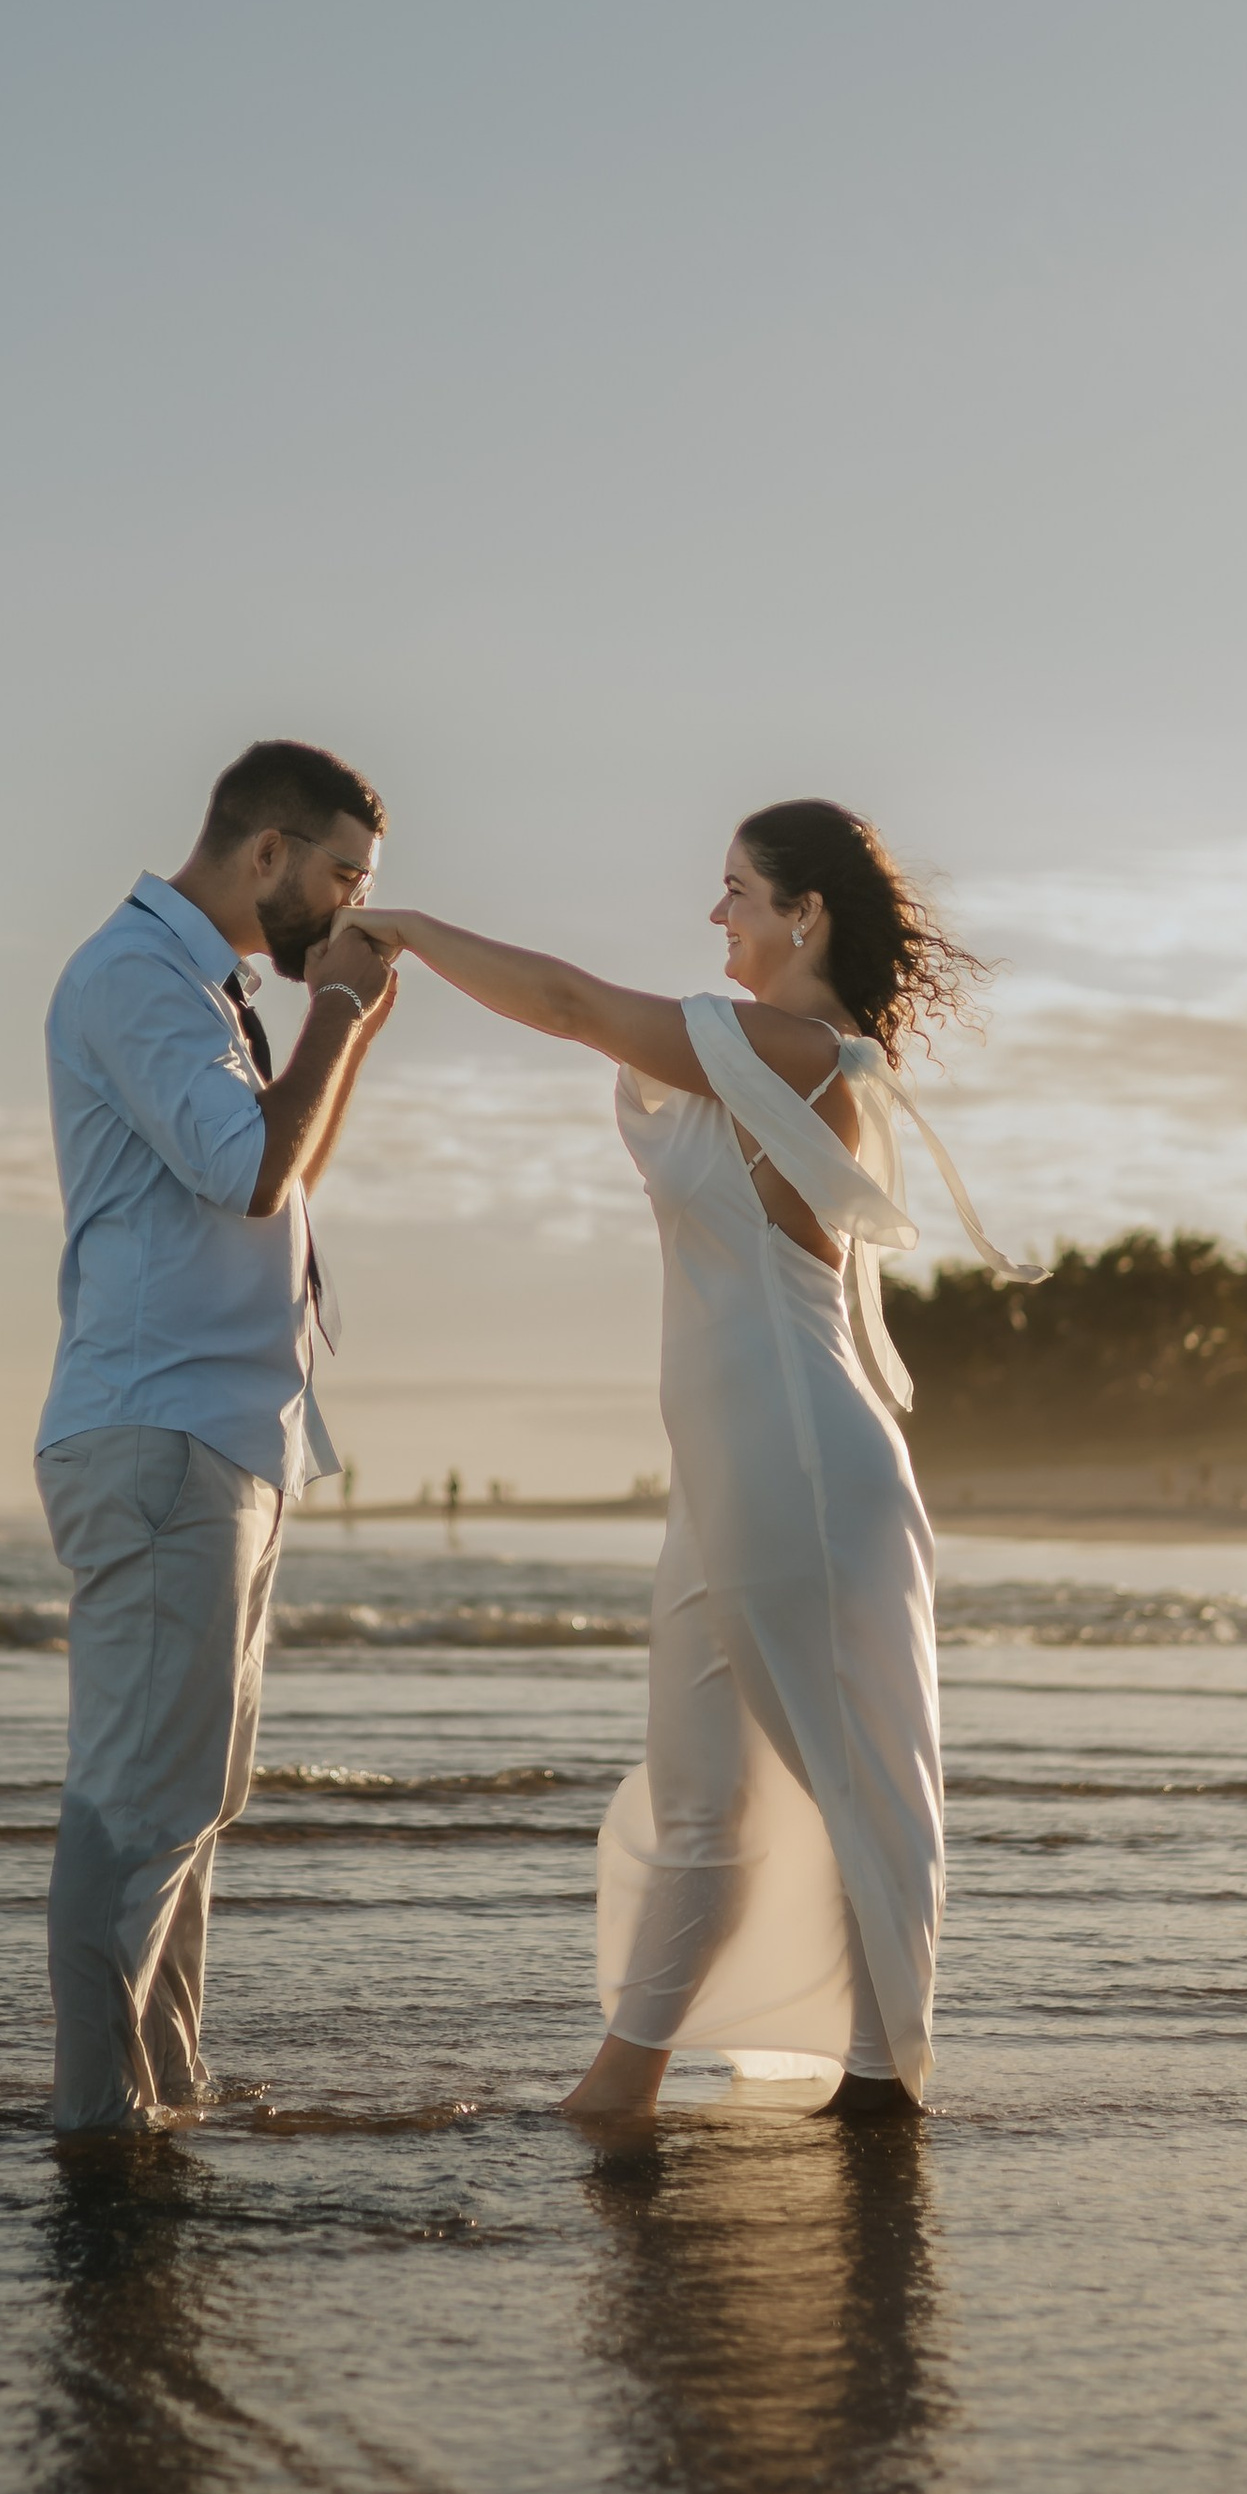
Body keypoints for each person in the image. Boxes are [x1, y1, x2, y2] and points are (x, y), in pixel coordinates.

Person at [356, 802, 1032, 2118]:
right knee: (703, 1796)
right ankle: (617, 2089)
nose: (716, 915)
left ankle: (886, 2088)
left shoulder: (795, 1048)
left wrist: (410, 930)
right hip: (727, 1481)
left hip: (801, 1467)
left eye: (735, 890)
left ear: (804, 914)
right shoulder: (773, 1048)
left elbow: (563, 999)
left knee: (858, 1779)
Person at [36, 738, 395, 2135]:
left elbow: (285, 1161)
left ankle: (158, 2093)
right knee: (138, 1797)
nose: (350, 907)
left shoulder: (207, 991)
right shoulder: (137, 976)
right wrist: (343, 1014)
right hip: (160, 1429)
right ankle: (98, 2126)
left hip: (223, 1430)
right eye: (342, 877)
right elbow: (249, 1173)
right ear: (267, 855)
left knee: (196, 1795)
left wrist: (345, 1022)